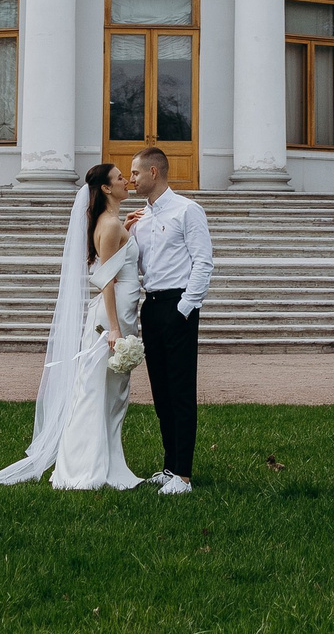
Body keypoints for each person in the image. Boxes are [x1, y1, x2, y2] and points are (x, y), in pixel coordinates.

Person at [0, 162, 145, 491]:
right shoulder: (110, 224)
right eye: (119, 179)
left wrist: (127, 231)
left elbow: (112, 258)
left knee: (108, 392)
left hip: (121, 312)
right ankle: (85, 467)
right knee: (97, 392)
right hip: (112, 317)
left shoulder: (112, 222)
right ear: (105, 188)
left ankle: (106, 460)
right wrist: (115, 329)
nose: (126, 182)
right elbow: (106, 281)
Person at [124, 145, 211, 495]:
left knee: (180, 389)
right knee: (160, 390)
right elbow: (139, 265)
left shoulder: (188, 210)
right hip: (152, 305)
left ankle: (184, 476)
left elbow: (203, 262)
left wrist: (185, 308)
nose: (131, 180)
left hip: (178, 305)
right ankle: (169, 466)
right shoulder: (140, 218)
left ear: (154, 172)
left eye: (135, 173)